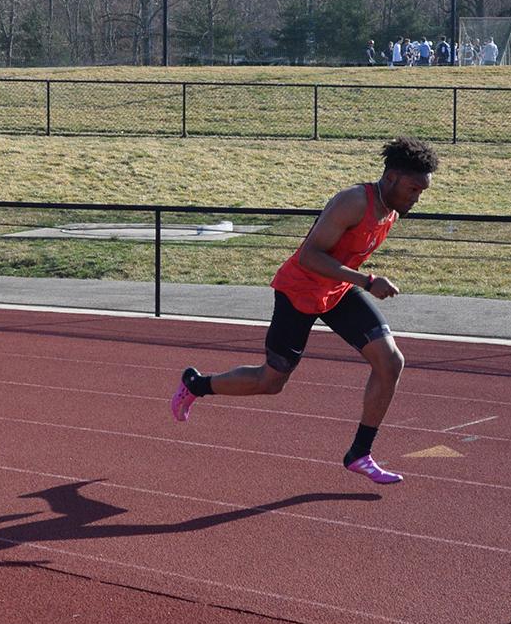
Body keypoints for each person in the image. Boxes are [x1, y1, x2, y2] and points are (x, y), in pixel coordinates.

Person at [169, 138, 439, 484]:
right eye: (413, 188)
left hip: (336, 292)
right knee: (271, 382)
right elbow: (309, 257)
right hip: (299, 292)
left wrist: (356, 283)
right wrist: (367, 281)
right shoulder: (354, 202)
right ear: (390, 178)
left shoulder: (391, 211)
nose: (416, 198)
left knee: (390, 361)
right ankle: (196, 384)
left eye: (422, 191)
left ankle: (359, 453)